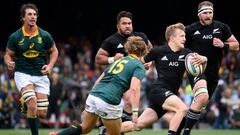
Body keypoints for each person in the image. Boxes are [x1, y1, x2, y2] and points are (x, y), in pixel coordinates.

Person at [49, 36, 148, 135]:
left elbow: (99, 79)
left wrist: (90, 100)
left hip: (94, 95)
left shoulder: (119, 60)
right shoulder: (138, 66)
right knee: (119, 131)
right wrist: (135, 113)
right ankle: (105, 131)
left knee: (85, 127)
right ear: (143, 50)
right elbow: (135, 89)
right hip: (108, 100)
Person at [121, 23, 208, 135]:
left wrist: (204, 59)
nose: (185, 39)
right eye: (181, 36)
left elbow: (199, 70)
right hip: (159, 90)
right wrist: (139, 66)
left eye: (185, 36)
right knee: (182, 109)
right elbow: (137, 62)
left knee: (137, 125)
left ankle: (107, 130)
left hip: (169, 95)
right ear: (172, 38)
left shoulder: (188, 54)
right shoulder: (158, 51)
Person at [182, 1, 239, 135]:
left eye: (210, 12)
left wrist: (224, 45)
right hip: (197, 70)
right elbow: (175, 40)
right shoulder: (190, 29)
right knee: (201, 97)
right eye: (205, 13)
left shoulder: (222, 27)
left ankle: (177, 129)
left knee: (199, 107)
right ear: (199, 15)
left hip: (213, 73)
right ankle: (186, 132)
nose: (208, 15)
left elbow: (236, 45)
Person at [4, 3, 58, 135]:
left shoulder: (44, 35)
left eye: (34, 14)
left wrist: (50, 66)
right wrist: (9, 62)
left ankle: (24, 102)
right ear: (23, 17)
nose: (33, 17)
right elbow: (7, 55)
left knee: (42, 114)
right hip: (23, 73)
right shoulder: (15, 37)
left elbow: (54, 51)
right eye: (29, 14)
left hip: (40, 74)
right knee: (32, 104)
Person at [95, 10, 152, 135]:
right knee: (124, 101)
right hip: (115, 79)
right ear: (118, 26)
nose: (128, 26)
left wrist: (148, 61)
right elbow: (98, 59)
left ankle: (112, 130)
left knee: (129, 101)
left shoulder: (140, 37)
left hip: (133, 76)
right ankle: (108, 127)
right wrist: (112, 59)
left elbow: (150, 50)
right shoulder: (111, 41)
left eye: (130, 23)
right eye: (124, 23)